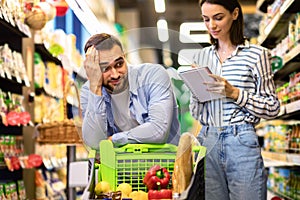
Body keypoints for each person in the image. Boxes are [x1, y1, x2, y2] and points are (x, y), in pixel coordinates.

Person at [189, 0, 281, 199]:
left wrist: (235, 93)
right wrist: (197, 93)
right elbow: (196, 113)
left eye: (218, 17)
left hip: (241, 140)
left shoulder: (256, 55)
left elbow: (273, 107)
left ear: (235, 14)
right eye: (206, 19)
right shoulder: (201, 56)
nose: (211, 25)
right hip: (208, 140)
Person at [80, 33, 180, 150]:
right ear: (93, 69)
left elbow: (158, 131)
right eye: (105, 68)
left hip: (164, 163)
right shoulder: (89, 91)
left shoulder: (153, 76)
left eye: (119, 64)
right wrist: (95, 87)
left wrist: (114, 140)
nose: (115, 74)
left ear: (124, 56)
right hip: (120, 167)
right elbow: (94, 143)